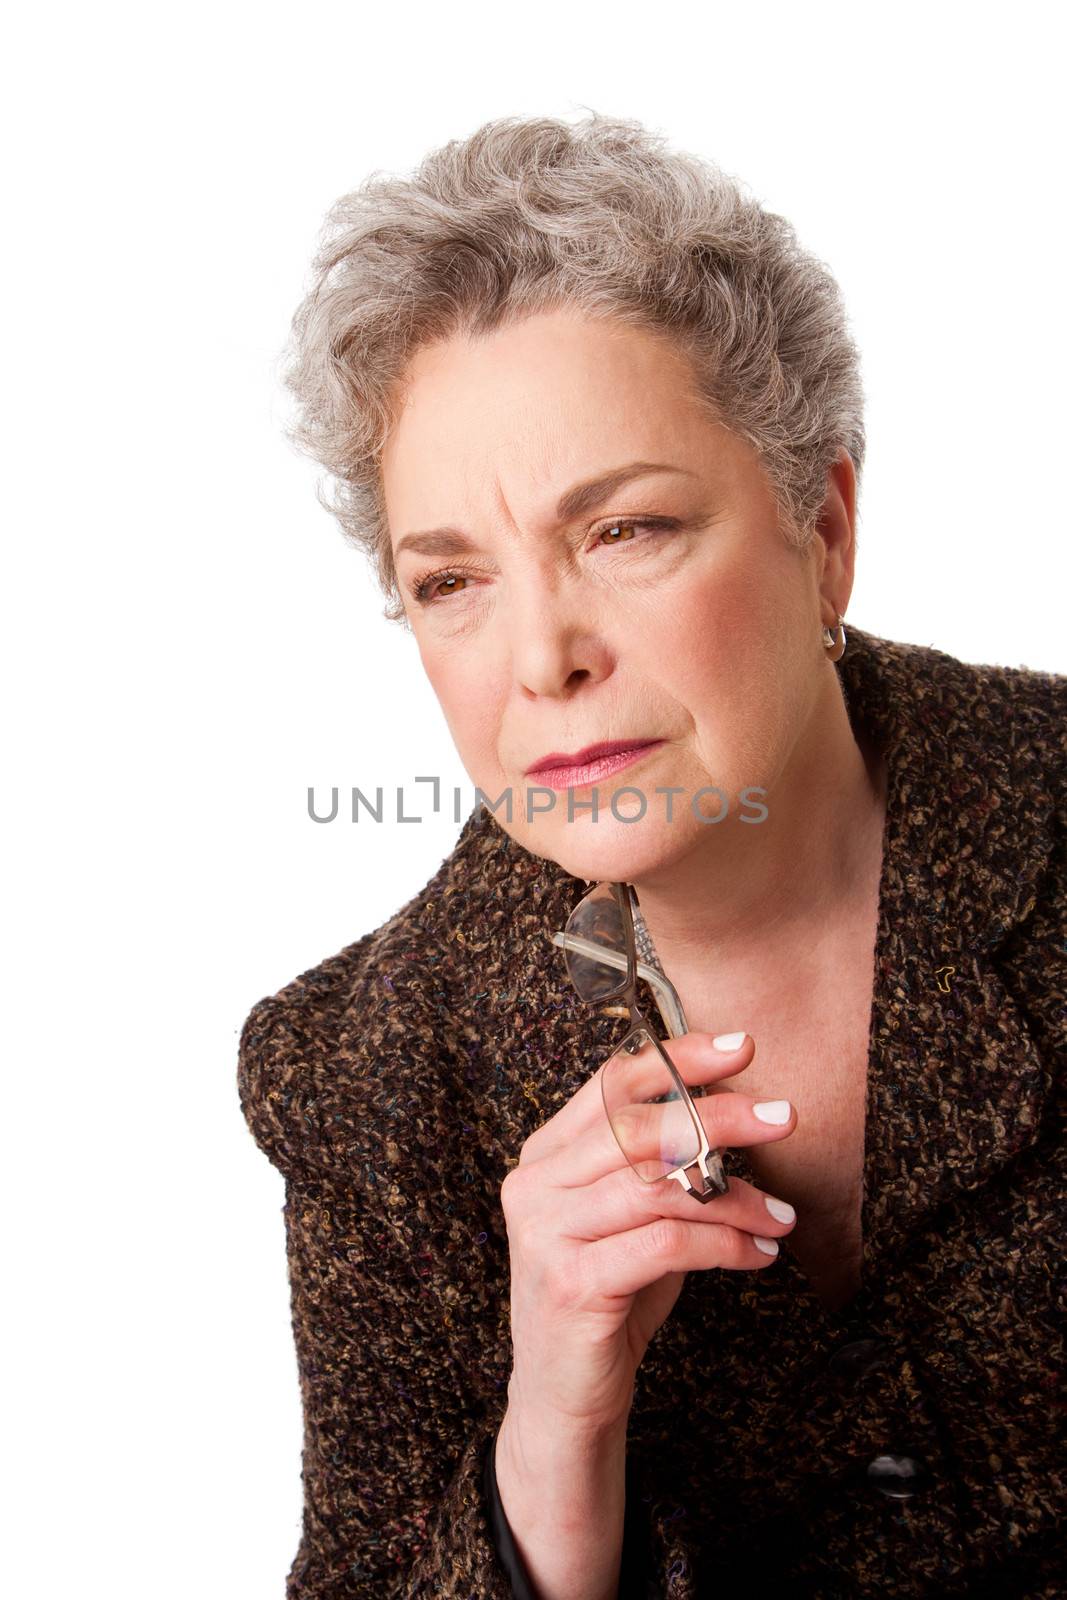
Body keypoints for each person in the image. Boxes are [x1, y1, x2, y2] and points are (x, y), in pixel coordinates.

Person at [237, 113, 1065, 1598]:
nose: (542, 656)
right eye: (451, 581)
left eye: (624, 529)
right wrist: (552, 1440)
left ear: (823, 526)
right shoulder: (364, 1078)